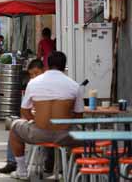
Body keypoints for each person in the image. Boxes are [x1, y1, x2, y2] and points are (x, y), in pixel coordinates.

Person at [9, 51, 84, 180]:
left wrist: (36, 120)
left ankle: (21, 170)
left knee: (14, 127)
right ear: (64, 65)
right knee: (83, 135)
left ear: (47, 65)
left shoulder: (33, 83)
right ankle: (75, 172)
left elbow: (24, 111)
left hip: (39, 133)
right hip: (65, 136)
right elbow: (79, 116)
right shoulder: (74, 86)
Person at [0, 59, 45, 174]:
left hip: (43, 128)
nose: (33, 76)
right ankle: (12, 162)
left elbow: (25, 110)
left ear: (44, 70)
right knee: (15, 124)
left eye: (36, 73)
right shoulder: (32, 85)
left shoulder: (36, 84)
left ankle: (18, 165)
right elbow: (25, 110)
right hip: (44, 124)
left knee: (15, 128)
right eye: (31, 74)